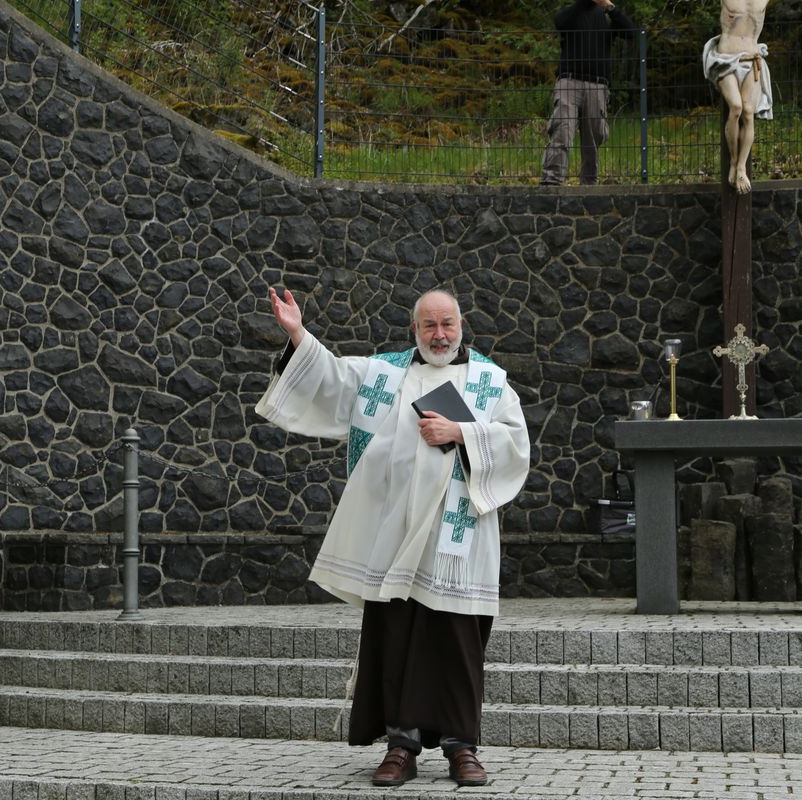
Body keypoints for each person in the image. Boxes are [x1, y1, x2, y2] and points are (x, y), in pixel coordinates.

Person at [256, 287, 530, 787]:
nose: (439, 334)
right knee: (396, 636)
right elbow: (332, 377)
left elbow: (516, 445)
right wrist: (298, 333)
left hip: (457, 541)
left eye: (447, 324)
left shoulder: (491, 382)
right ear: (415, 329)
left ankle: (461, 749)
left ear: (461, 325)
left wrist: (462, 433)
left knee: (457, 642)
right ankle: (400, 746)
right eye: (429, 325)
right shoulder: (385, 373)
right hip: (397, 536)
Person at [540, 0, 637, 186]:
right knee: (562, 130)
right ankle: (552, 181)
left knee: (593, 137)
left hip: (598, 85)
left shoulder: (609, 16)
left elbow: (632, 32)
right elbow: (559, 21)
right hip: (569, 81)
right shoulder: (574, 12)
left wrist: (610, 8)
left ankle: (589, 184)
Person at [703, 0, 773, 194]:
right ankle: (733, 161)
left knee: (748, 112)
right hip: (726, 60)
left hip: (752, 59)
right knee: (736, 107)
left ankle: (741, 167)